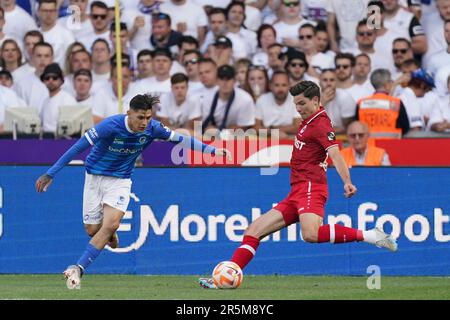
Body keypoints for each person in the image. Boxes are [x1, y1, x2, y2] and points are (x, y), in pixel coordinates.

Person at [199, 81, 397, 289]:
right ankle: (224, 279)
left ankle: (371, 236)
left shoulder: (321, 124)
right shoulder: (308, 120)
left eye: (302, 103)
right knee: (253, 230)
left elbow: (335, 154)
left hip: (312, 188)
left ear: (315, 101)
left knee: (310, 234)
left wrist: (347, 182)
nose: (298, 108)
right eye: (296, 104)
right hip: (297, 191)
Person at [35, 93, 231, 289]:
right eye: (140, 117)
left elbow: (181, 139)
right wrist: (51, 173)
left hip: (120, 180)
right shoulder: (110, 125)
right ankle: (110, 233)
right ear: (128, 113)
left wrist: (212, 150)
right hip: (94, 178)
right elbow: (78, 147)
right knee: (93, 230)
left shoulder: (153, 128)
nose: (145, 122)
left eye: (148, 117)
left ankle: (78, 267)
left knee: (110, 224)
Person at [355, 68, 410, 138]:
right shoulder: (396, 103)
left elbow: (356, 126)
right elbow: (406, 127)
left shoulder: (361, 104)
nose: (392, 83)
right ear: (386, 84)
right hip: (392, 146)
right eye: (391, 81)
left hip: (368, 146)